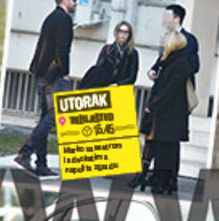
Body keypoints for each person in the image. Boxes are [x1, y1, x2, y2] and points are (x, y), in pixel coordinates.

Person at [14, 0, 79, 177]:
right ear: (65, 0)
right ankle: (25, 152)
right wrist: (65, 72)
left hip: (42, 74)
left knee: (45, 118)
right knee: (53, 117)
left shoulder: (50, 18)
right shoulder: (64, 19)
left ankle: (41, 163)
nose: (75, 3)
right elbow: (62, 49)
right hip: (54, 76)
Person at [141, 30, 192, 194]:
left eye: (165, 42)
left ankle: (165, 181)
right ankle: (162, 180)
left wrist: (153, 105)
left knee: (167, 149)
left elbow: (170, 89)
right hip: (166, 112)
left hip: (170, 112)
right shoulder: (168, 61)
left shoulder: (179, 63)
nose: (163, 45)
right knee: (165, 147)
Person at [79, 21, 139, 89]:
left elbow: (132, 77)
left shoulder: (133, 53)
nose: (123, 35)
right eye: (121, 31)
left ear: (129, 35)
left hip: (122, 89)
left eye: (126, 32)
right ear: (117, 33)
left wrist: (117, 84)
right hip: (105, 86)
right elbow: (98, 70)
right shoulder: (107, 49)